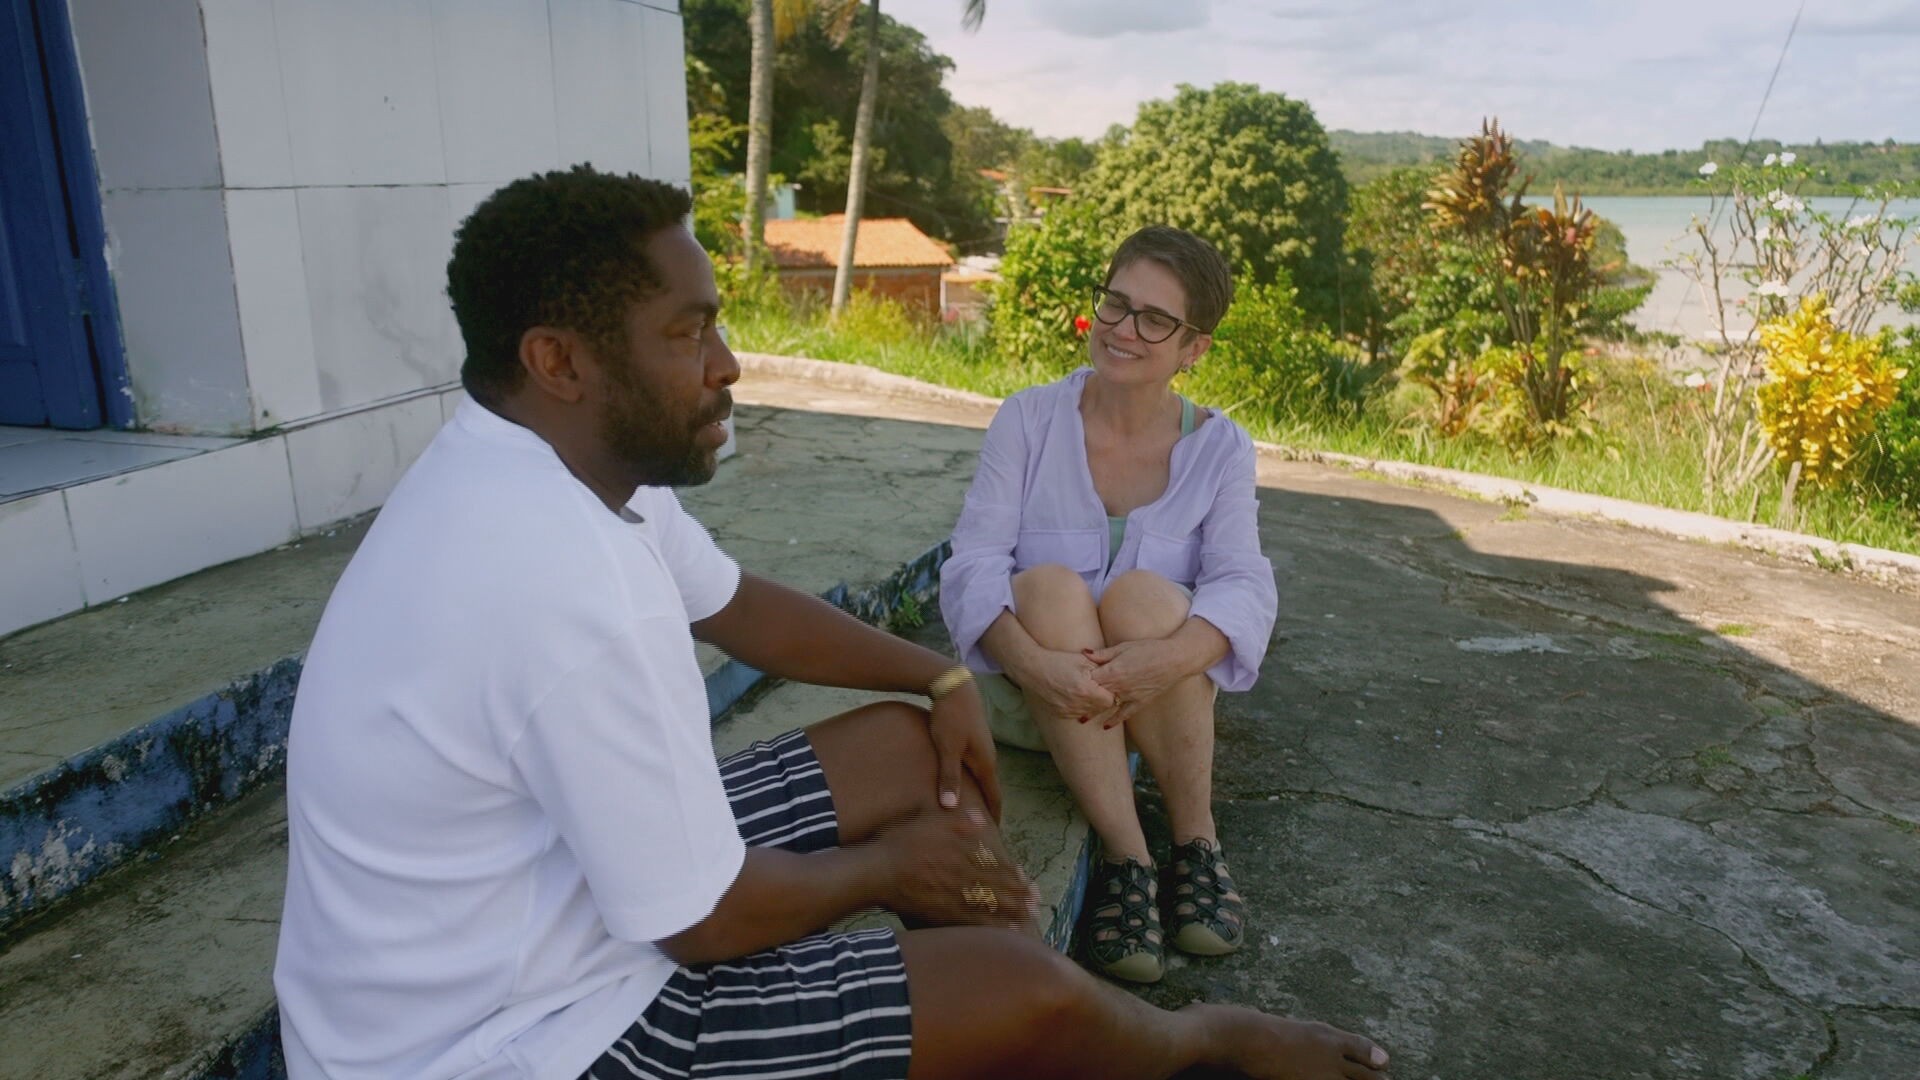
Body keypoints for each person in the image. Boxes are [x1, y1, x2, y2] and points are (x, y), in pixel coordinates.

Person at [274, 166, 1385, 1080]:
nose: (730, 365)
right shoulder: (557, 585)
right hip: (513, 1037)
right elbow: (701, 921)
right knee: (1022, 992)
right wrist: (894, 870)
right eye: (689, 333)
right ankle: (1194, 1042)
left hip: (539, 892)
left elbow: (740, 606)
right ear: (558, 362)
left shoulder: (559, 470)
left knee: (905, 743)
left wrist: (940, 681)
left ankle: (1018, 928)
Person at [941, 225, 1279, 986]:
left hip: (1157, 702)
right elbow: (972, 563)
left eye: (1155, 320)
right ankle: (1128, 857)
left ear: (1195, 348)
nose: (1124, 331)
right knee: (1052, 586)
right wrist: (1033, 662)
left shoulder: (1222, 448)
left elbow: (1243, 580)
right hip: (1038, 698)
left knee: (1147, 598)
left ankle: (1195, 841)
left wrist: (1171, 656)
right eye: (1116, 306)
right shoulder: (1027, 419)